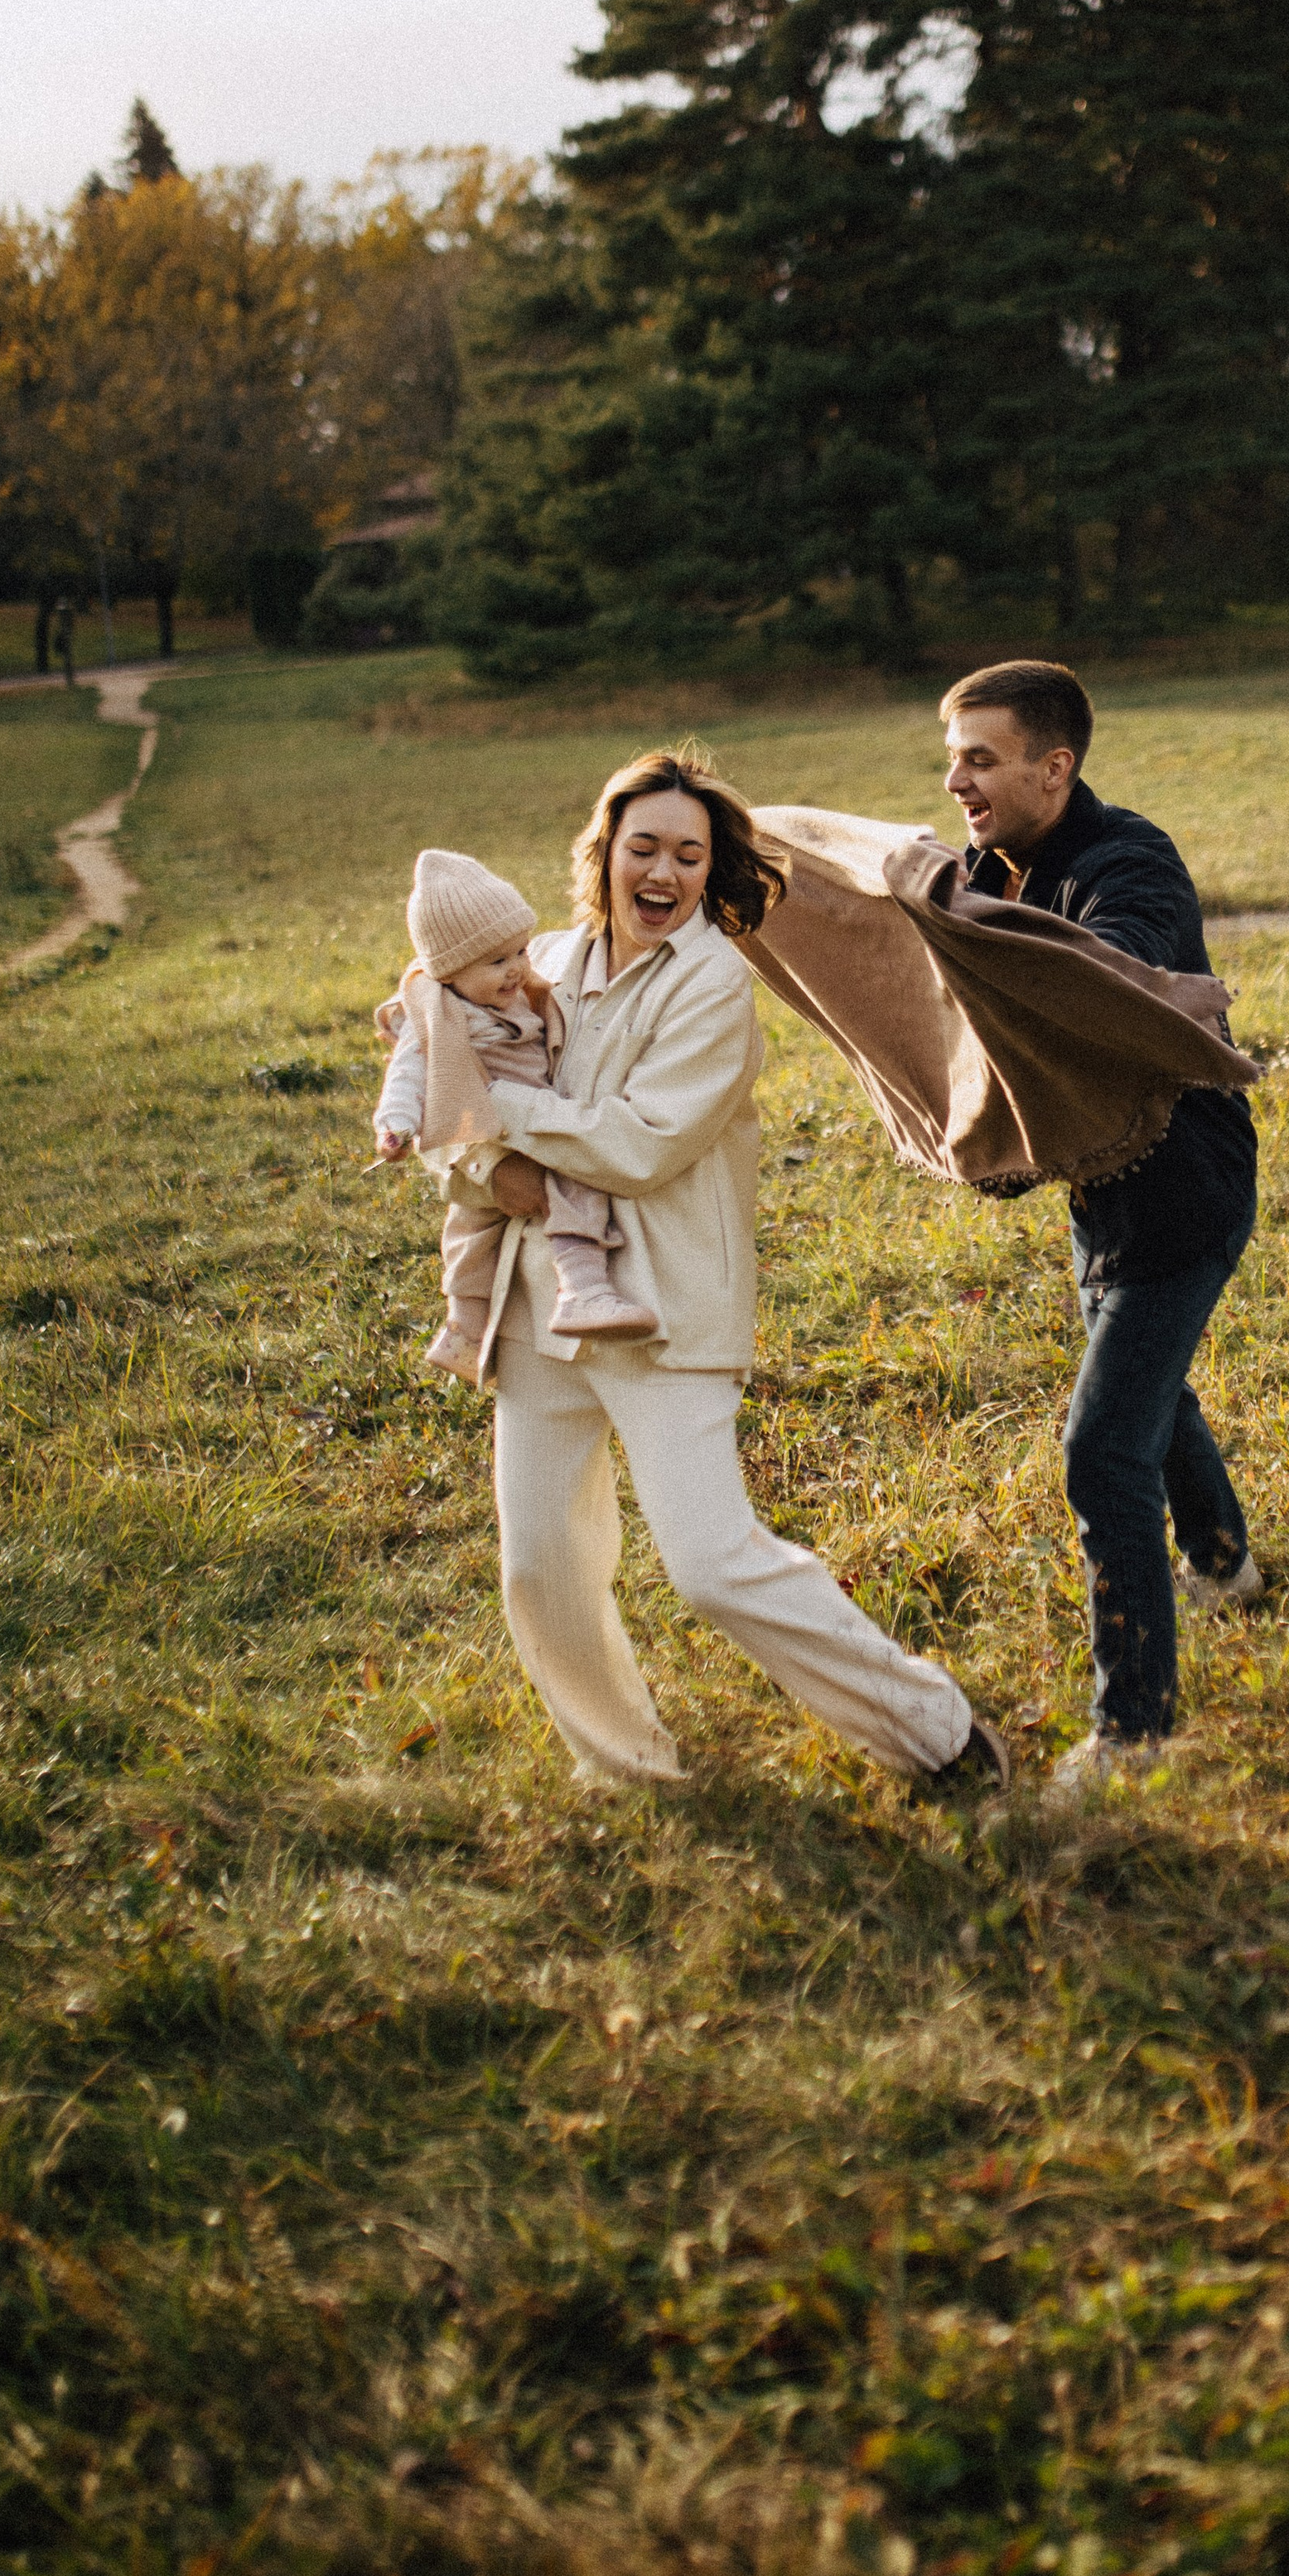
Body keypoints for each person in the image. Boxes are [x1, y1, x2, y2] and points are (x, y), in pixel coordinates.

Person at [434, 749, 1010, 1796]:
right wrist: (480, 1154)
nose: (664, 872)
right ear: (604, 853)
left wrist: (499, 1118)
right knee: (540, 1570)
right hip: (535, 1306)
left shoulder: (712, 983)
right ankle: (626, 1768)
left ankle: (937, 1733)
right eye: (643, 846)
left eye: (689, 855)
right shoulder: (539, 966)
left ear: (711, 870)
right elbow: (438, 1085)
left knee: (709, 1563)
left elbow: (644, 1144)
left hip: (661, 1304)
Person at [939, 660, 1259, 1792]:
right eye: (952, 757)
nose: (956, 781)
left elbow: (1105, 985)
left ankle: (1136, 1734)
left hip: (1185, 1195)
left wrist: (981, 943)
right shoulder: (988, 869)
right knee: (1149, 1389)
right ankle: (1226, 1565)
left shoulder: (1131, 862)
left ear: (1054, 766)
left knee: (1102, 1448)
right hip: (1100, 1190)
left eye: (981, 758)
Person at [372, 846, 660, 1382]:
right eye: (496, 962)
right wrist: (395, 1125)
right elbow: (407, 1077)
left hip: (523, 1128)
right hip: (491, 1128)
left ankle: (474, 1327)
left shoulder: (522, 993)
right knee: (525, 1208)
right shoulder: (437, 1013)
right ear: (449, 969)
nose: (515, 971)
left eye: (519, 953)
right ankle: (576, 1291)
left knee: (492, 1219)